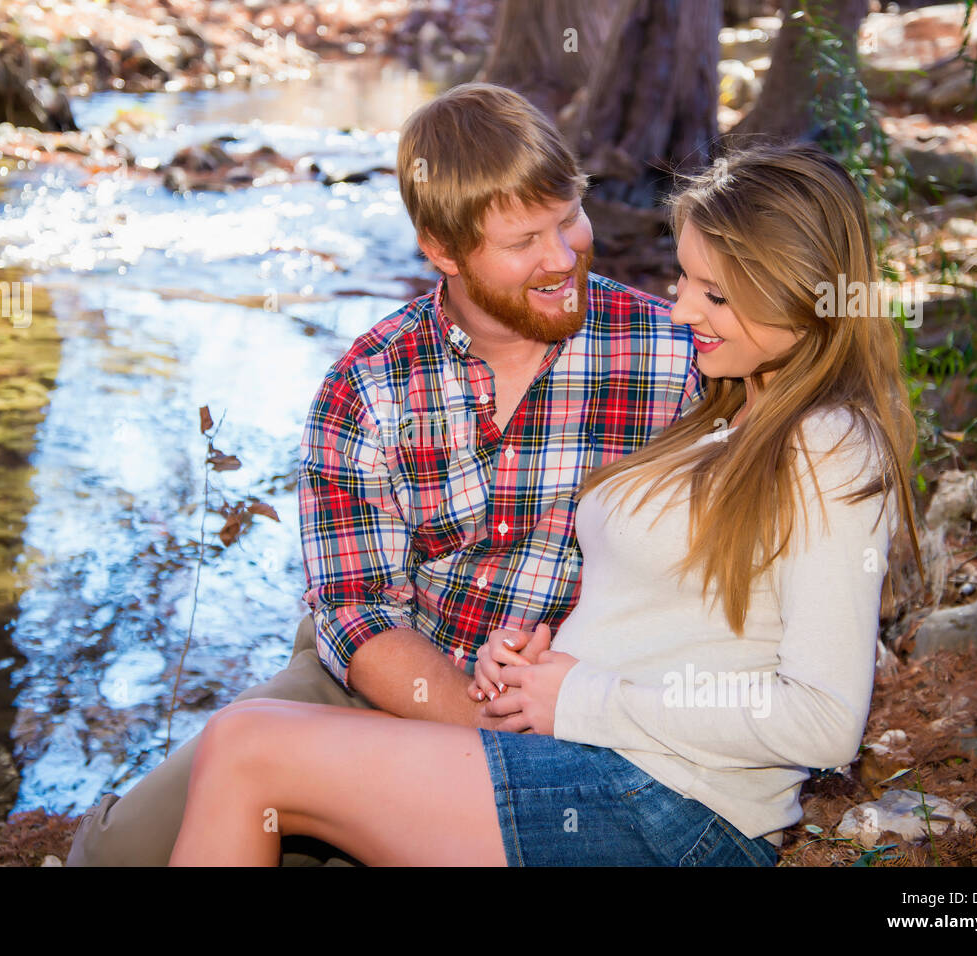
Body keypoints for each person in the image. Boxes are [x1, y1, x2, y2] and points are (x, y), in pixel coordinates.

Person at [167, 140, 926, 866]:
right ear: (443, 249)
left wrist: (583, 696)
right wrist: (535, 669)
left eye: (716, 294)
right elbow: (689, 625)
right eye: (685, 280)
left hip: (673, 810)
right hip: (586, 760)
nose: (683, 311)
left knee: (246, 752)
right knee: (235, 752)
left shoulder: (830, 443)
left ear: (802, 292)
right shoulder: (727, 412)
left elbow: (826, 723)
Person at [66, 83, 701, 866]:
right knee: (126, 856)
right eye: (523, 240)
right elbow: (355, 609)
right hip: (388, 667)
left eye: (569, 217)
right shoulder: (367, 384)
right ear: (442, 249)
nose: (562, 256)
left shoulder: (674, 356)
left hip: (566, 703)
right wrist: (470, 721)